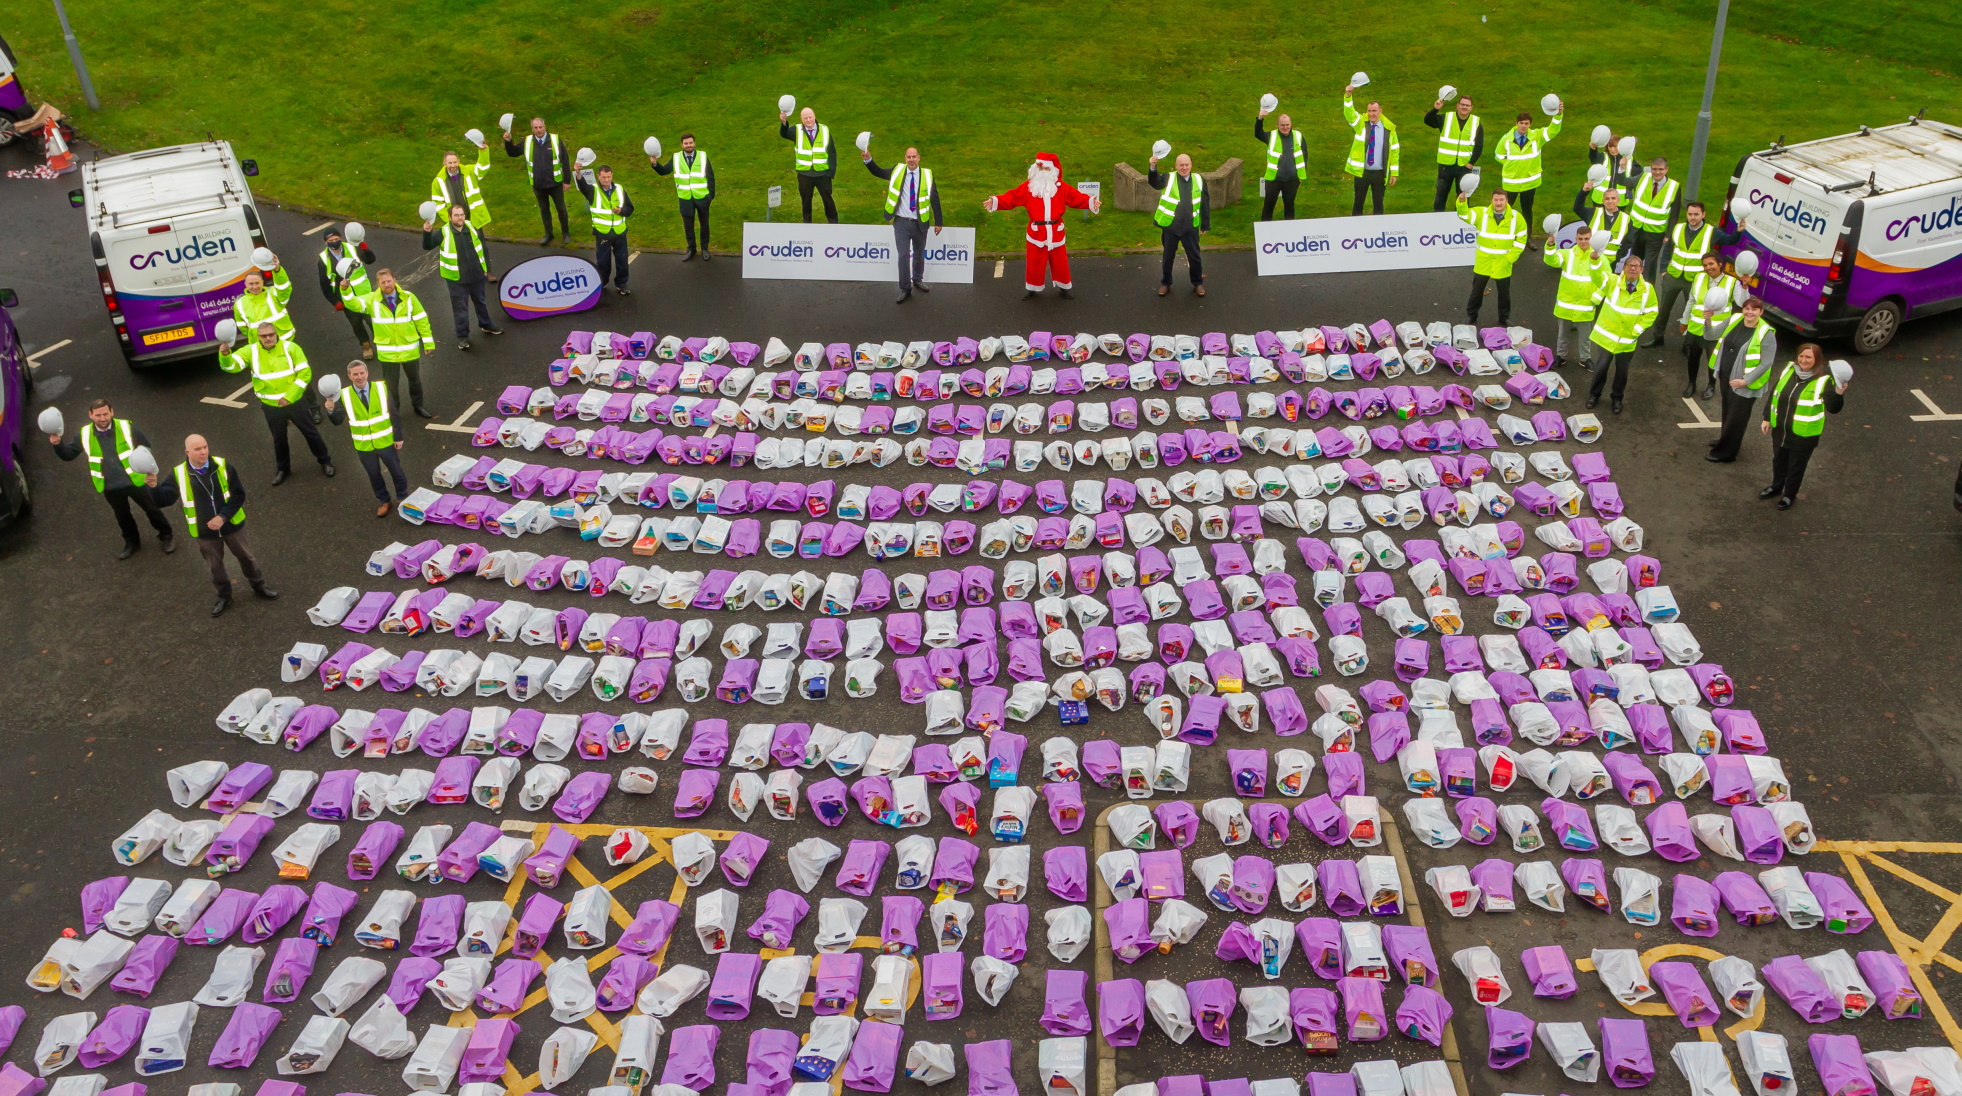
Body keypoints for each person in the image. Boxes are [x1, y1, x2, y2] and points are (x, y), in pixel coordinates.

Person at [149, 434, 278, 617]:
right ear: (187, 452)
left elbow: (238, 495)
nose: (203, 452)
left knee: (247, 558)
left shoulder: (223, 465)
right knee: (215, 567)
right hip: (204, 532)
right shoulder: (178, 474)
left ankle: (259, 586)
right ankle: (224, 596)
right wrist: (154, 487)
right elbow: (164, 500)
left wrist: (222, 517)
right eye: (198, 449)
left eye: (205, 447)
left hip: (232, 525)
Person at [48, 398, 174, 559]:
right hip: (109, 486)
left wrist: (149, 469)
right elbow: (68, 455)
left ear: (112, 412)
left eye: (106, 414)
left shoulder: (127, 427)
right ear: (90, 415)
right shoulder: (84, 434)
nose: (103, 418)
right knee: (122, 516)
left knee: (152, 509)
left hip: (136, 480)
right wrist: (57, 444)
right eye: (98, 415)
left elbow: (146, 446)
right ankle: (132, 542)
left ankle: (166, 535)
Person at [221, 322, 335, 484]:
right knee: (279, 439)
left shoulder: (292, 348)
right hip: (271, 406)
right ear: (258, 337)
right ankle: (283, 469)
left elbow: (305, 373)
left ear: (276, 334)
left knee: (311, 433)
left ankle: (325, 461)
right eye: (263, 336)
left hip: (295, 402)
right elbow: (232, 366)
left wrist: (289, 396)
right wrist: (225, 356)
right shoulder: (251, 351)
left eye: (270, 335)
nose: (268, 338)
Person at [983, 153, 1097, 299]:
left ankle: (1065, 287)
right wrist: (995, 201)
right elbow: (1012, 197)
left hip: (1056, 231)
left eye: (1046, 169)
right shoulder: (1029, 187)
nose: (1043, 172)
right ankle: (1032, 288)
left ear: (1053, 170)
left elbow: (1076, 197)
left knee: (1060, 262)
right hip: (1036, 232)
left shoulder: (1061, 188)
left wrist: (1090, 202)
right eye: (1040, 168)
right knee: (1034, 263)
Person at [1760, 343, 1847, 509]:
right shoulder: (1789, 370)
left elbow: (1833, 408)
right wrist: (1766, 418)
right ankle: (1776, 487)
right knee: (1778, 461)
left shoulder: (1824, 381)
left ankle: (1789, 495)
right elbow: (1775, 393)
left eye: (1808, 357)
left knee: (1795, 467)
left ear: (1817, 360)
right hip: (1781, 429)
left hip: (1804, 435)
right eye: (1801, 356)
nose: (1803, 360)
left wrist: (1839, 394)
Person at [341, 268, 436, 418]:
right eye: (383, 282)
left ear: (394, 280)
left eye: (389, 281)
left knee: (415, 381)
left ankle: (418, 406)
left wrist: (428, 342)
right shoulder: (371, 299)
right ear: (378, 284)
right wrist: (345, 290)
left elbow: (421, 320)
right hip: (388, 353)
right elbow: (353, 304)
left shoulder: (409, 297)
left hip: (409, 349)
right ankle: (394, 412)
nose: (387, 284)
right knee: (391, 386)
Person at [1646, 202, 1743, 348]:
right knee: (1663, 310)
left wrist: (1738, 231)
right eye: (1690, 214)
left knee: (1692, 312)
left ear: (1703, 215)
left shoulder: (1711, 232)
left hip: (1695, 281)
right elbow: (1667, 249)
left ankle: (1688, 344)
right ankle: (1657, 338)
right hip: (1672, 276)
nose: (1693, 217)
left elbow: (1730, 240)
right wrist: (1663, 270)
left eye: (1696, 214)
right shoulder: (1678, 228)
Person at [326, 361, 409, 517]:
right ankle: (384, 501)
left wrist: (398, 437)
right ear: (349, 376)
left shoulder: (381, 388)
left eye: (361, 373)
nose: (359, 377)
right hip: (364, 446)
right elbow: (338, 421)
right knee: (374, 475)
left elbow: (394, 414)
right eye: (355, 374)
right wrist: (331, 411)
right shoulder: (345, 395)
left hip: (385, 442)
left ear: (367, 373)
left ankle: (403, 497)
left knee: (396, 471)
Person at [863, 145, 944, 303]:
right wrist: (868, 161)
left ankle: (918, 279)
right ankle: (905, 288)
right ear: (905, 158)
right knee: (903, 255)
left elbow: (935, 198)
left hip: (920, 222)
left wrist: (939, 222)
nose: (911, 160)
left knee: (919, 254)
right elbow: (878, 172)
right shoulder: (897, 170)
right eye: (908, 157)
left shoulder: (927, 175)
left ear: (919, 158)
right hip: (901, 222)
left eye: (914, 157)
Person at [422, 204, 504, 350]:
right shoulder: (443, 232)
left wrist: (485, 270)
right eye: (456, 215)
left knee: (481, 302)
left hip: (477, 275)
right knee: (460, 309)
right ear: (449, 217)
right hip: (456, 279)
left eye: (462, 215)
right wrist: (427, 233)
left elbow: (481, 250)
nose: (460, 218)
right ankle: (462, 336)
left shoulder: (471, 227)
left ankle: (486, 324)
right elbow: (427, 246)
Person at [1705, 296, 1777, 463]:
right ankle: (1726, 440)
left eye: (1754, 309)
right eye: (1747, 308)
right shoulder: (1735, 318)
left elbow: (1767, 362)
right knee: (1728, 410)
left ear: (1761, 312)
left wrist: (1745, 381)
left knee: (1737, 418)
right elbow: (1712, 335)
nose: (1749, 312)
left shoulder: (1766, 333)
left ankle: (1727, 453)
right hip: (1726, 376)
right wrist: (1707, 321)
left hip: (1744, 383)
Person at [1585, 254, 1658, 414]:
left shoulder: (1648, 290)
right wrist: (1595, 260)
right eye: (1629, 265)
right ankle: (1594, 395)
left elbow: (1652, 312)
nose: (1633, 268)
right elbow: (1596, 276)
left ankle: (1617, 399)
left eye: (1636, 266)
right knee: (1601, 367)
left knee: (1622, 372)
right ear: (1623, 268)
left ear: (1641, 270)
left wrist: (1637, 330)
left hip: (1627, 340)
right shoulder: (1613, 281)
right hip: (1607, 337)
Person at [1457, 187, 1526, 326]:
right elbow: (1464, 215)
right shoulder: (1481, 213)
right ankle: (1471, 316)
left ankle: (1504, 318)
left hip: (1503, 262)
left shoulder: (1516, 218)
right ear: (1492, 200)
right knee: (1476, 292)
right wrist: (1462, 201)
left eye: (1501, 200)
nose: (1498, 203)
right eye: (1496, 200)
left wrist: (1510, 258)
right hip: (1484, 261)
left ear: (1507, 200)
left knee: (1504, 294)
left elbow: (1522, 238)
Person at [1494, 108, 1562, 244]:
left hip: (1530, 183)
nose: (1523, 126)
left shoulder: (1537, 136)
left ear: (1530, 124)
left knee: (1527, 211)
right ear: (1516, 123)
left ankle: (1527, 238)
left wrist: (1558, 115)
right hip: (1511, 182)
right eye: (1521, 123)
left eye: (1526, 123)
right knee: (1505, 209)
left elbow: (1553, 130)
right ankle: (1502, 235)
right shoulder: (1506, 139)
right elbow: (1498, 155)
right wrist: (1510, 165)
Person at [503, 116, 573, 245]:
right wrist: (508, 142)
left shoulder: (555, 140)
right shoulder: (527, 141)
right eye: (535, 128)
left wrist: (567, 181)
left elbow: (565, 160)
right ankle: (548, 234)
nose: (538, 130)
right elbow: (513, 153)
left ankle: (566, 233)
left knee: (561, 209)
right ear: (532, 129)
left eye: (540, 127)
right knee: (544, 210)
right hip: (538, 184)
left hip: (555, 183)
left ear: (545, 127)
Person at [1681, 253, 1742, 399]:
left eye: (1711, 264)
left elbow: (1741, 303)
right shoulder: (1699, 277)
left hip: (1716, 330)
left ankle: (1711, 385)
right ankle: (1691, 383)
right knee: (1693, 357)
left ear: (1720, 264)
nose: (1708, 268)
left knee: (1712, 360)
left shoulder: (1732, 282)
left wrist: (1745, 287)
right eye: (1705, 265)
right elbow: (1691, 300)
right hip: (1696, 326)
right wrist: (1684, 320)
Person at [1147, 153, 1209, 297]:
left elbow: (1205, 202)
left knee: (1195, 257)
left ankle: (1198, 284)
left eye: (1187, 164)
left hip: (1190, 227)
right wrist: (1152, 167)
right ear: (1176, 166)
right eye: (1181, 165)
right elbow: (1155, 183)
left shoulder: (1199, 180)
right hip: (1171, 227)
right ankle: (1165, 283)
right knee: (1168, 257)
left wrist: (1205, 224)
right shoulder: (1168, 177)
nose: (1184, 167)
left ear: (1191, 165)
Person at [1542, 224, 1603, 367]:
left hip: (1586, 305)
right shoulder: (1566, 254)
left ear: (1591, 239)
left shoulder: (1599, 258)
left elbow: (1606, 281)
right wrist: (1550, 244)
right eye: (1580, 238)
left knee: (1585, 337)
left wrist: (1595, 299)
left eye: (1587, 239)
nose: (1583, 241)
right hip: (1566, 304)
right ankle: (1561, 356)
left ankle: (1585, 358)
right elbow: (1551, 261)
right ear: (1576, 238)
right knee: (1562, 335)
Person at [316, 224, 377, 359]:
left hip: (364, 294)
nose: (334, 243)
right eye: (330, 241)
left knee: (372, 319)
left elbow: (370, 260)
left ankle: (381, 341)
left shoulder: (352, 247)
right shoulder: (323, 260)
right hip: (346, 298)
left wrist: (365, 249)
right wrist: (334, 301)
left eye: (336, 239)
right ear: (325, 242)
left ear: (341, 238)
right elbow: (324, 285)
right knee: (356, 323)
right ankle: (366, 345)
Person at [652, 133, 716, 261]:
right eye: (686, 143)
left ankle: (705, 249)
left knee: (704, 225)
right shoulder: (676, 158)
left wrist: (710, 196)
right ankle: (691, 249)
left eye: (691, 143)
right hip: (685, 198)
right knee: (688, 226)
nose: (689, 145)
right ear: (682, 145)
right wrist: (655, 164)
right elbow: (664, 171)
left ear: (694, 143)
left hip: (702, 197)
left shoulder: (703, 156)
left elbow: (710, 177)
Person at [574, 163, 635, 296]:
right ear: (598, 177)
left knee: (622, 260)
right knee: (603, 262)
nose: (606, 180)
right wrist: (578, 173)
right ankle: (602, 282)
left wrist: (621, 210)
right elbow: (582, 186)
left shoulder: (620, 189)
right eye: (603, 177)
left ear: (612, 175)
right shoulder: (593, 190)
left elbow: (630, 209)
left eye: (608, 177)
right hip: (603, 233)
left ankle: (622, 284)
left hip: (619, 232)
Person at [1341, 83, 1398, 215]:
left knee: (1378, 204)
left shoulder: (1389, 129)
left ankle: (1378, 231)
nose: (1371, 114)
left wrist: (1394, 173)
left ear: (1380, 111)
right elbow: (1349, 114)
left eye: (1374, 111)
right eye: (1369, 111)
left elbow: (1394, 151)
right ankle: (1356, 230)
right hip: (1363, 172)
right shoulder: (1361, 123)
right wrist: (1348, 96)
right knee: (1358, 203)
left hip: (1379, 173)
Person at [1423, 93, 1483, 212]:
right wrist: (1435, 109)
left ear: (1471, 107)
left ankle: (1461, 223)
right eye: (1462, 104)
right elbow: (1428, 121)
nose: (1464, 107)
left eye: (1467, 105)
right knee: (1441, 195)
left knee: (1463, 197)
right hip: (1446, 166)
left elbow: (1479, 145)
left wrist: (1471, 163)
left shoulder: (1476, 123)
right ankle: (1438, 222)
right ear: (1457, 105)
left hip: (1464, 166)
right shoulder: (1446, 118)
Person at [778, 107, 839, 224]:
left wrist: (831, 172)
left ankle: (834, 224)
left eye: (810, 117)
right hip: (804, 174)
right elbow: (784, 134)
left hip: (822, 174)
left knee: (828, 200)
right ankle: (807, 225)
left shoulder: (825, 129)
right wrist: (784, 122)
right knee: (806, 202)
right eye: (805, 118)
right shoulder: (797, 130)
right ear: (801, 119)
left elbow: (832, 152)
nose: (808, 120)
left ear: (814, 116)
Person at [1627, 158, 1682, 284]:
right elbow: (1625, 182)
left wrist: (1668, 235)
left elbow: (1675, 214)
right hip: (1636, 229)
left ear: (1666, 170)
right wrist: (1622, 168)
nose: (1657, 172)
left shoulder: (1674, 186)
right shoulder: (1643, 177)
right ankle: (1630, 287)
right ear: (1651, 169)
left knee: (1649, 267)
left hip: (1655, 233)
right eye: (1654, 169)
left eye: (1661, 169)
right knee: (1634, 262)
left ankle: (1648, 292)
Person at [1254, 108, 1308, 220]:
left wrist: (1301, 175)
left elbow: (1304, 154)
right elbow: (1258, 134)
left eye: (1287, 125)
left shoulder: (1298, 136)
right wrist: (1260, 118)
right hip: (1274, 179)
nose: (1285, 127)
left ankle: (1290, 233)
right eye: (1282, 125)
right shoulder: (1271, 136)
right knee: (1268, 206)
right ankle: (1265, 232)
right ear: (1277, 124)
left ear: (1291, 124)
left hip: (1292, 180)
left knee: (1289, 206)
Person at [430, 144, 494, 230]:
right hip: (455, 222)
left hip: (474, 218)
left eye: (455, 162)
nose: (453, 165)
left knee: (478, 243)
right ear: (444, 163)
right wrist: (449, 219)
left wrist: (483, 151)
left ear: (458, 161)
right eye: (450, 163)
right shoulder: (438, 181)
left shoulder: (469, 171)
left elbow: (483, 168)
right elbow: (438, 204)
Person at [1588, 187, 1636, 269]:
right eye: (1607, 199)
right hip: (1591, 259)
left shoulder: (1626, 219)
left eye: (1613, 198)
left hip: (1611, 262)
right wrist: (1584, 191)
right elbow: (1577, 208)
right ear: (1603, 201)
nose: (1610, 201)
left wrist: (1618, 257)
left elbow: (1628, 242)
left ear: (1619, 201)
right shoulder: (1594, 213)